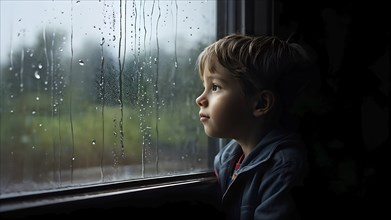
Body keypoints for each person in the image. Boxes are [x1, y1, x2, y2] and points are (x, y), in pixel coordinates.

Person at [195, 33, 318, 220]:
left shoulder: (284, 168)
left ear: (260, 104)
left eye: (215, 87)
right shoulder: (228, 159)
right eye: (205, 86)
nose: (200, 99)